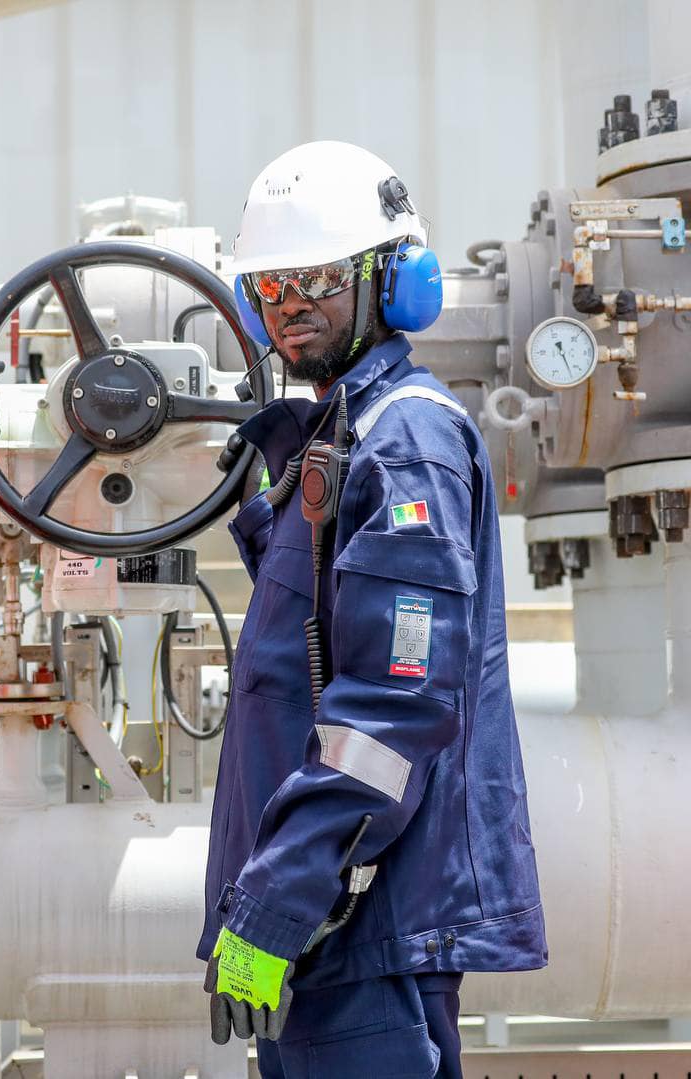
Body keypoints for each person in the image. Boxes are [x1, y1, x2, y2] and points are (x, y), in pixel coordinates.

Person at [201, 141, 547, 1077]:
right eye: (270, 289)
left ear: (393, 283)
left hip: (356, 924)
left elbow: (393, 708)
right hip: (329, 924)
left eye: (316, 279)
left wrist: (275, 904)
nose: (291, 308)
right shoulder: (338, 437)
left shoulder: (407, 441)